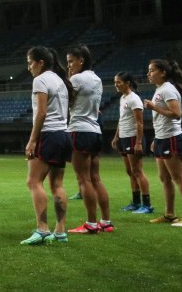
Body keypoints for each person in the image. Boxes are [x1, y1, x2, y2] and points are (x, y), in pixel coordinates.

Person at [21, 46, 73, 245]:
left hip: (48, 135)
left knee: (33, 182)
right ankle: (60, 232)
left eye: (30, 63)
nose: (29, 67)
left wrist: (32, 140)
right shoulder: (60, 81)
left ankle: (42, 229)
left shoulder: (40, 80)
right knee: (57, 184)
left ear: (40, 62)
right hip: (63, 134)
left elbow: (41, 113)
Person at [144, 58, 182, 227]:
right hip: (162, 139)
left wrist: (154, 107)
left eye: (152, 70)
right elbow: (162, 119)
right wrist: (156, 139)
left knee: (179, 178)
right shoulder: (160, 89)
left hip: (172, 139)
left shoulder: (167, 89)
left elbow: (176, 113)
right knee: (165, 178)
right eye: (148, 70)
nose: (148, 73)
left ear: (163, 72)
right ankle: (170, 215)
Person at [65, 45, 113, 234]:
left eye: (71, 61)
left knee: (83, 179)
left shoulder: (76, 79)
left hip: (79, 129)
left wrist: (68, 79)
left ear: (81, 60)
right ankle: (106, 222)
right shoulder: (97, 79)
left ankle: (91, 224)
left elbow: (65, 101)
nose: (69, 65)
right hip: (95, 130)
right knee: (96, 178)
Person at [111, 71, 153, 214]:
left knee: (137, 171)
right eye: (115, 82)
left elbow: (139, 123)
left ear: (127, 83)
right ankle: (136, 203)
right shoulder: (123, 98)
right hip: (124, 138)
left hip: (133, 138)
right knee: (130, 172)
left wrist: (139, 142)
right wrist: (116, 137)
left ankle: (147, 205)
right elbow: (122, 119)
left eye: (119, 82)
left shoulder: (134, 99)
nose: (116, 85)